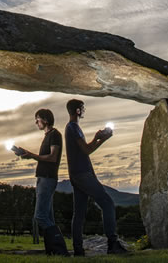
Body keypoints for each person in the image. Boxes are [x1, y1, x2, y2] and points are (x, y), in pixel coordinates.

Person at [64, 99, 128, 255]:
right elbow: (86, 150)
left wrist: (99, 138)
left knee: (79, 213)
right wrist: (101, 138)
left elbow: (86, 149)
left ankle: (78, 249)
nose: (84, 111)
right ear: (78, 111)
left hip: (75, 174)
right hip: (82, 174)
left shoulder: (70, 128)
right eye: (82, 108)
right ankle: (112, 243)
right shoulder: (73, 127)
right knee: (107, 203)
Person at [18, 108, 69, 256]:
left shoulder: (55, 135)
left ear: (45, 120)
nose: (36, 122)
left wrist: (32, 155)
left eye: (38, 119)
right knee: (48, 217)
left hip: (47, 178)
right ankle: (52, 251)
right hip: (42, 178)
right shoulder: (47, 136)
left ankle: (60, 250)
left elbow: (53, 157)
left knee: (40, 216)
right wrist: (28, 154)